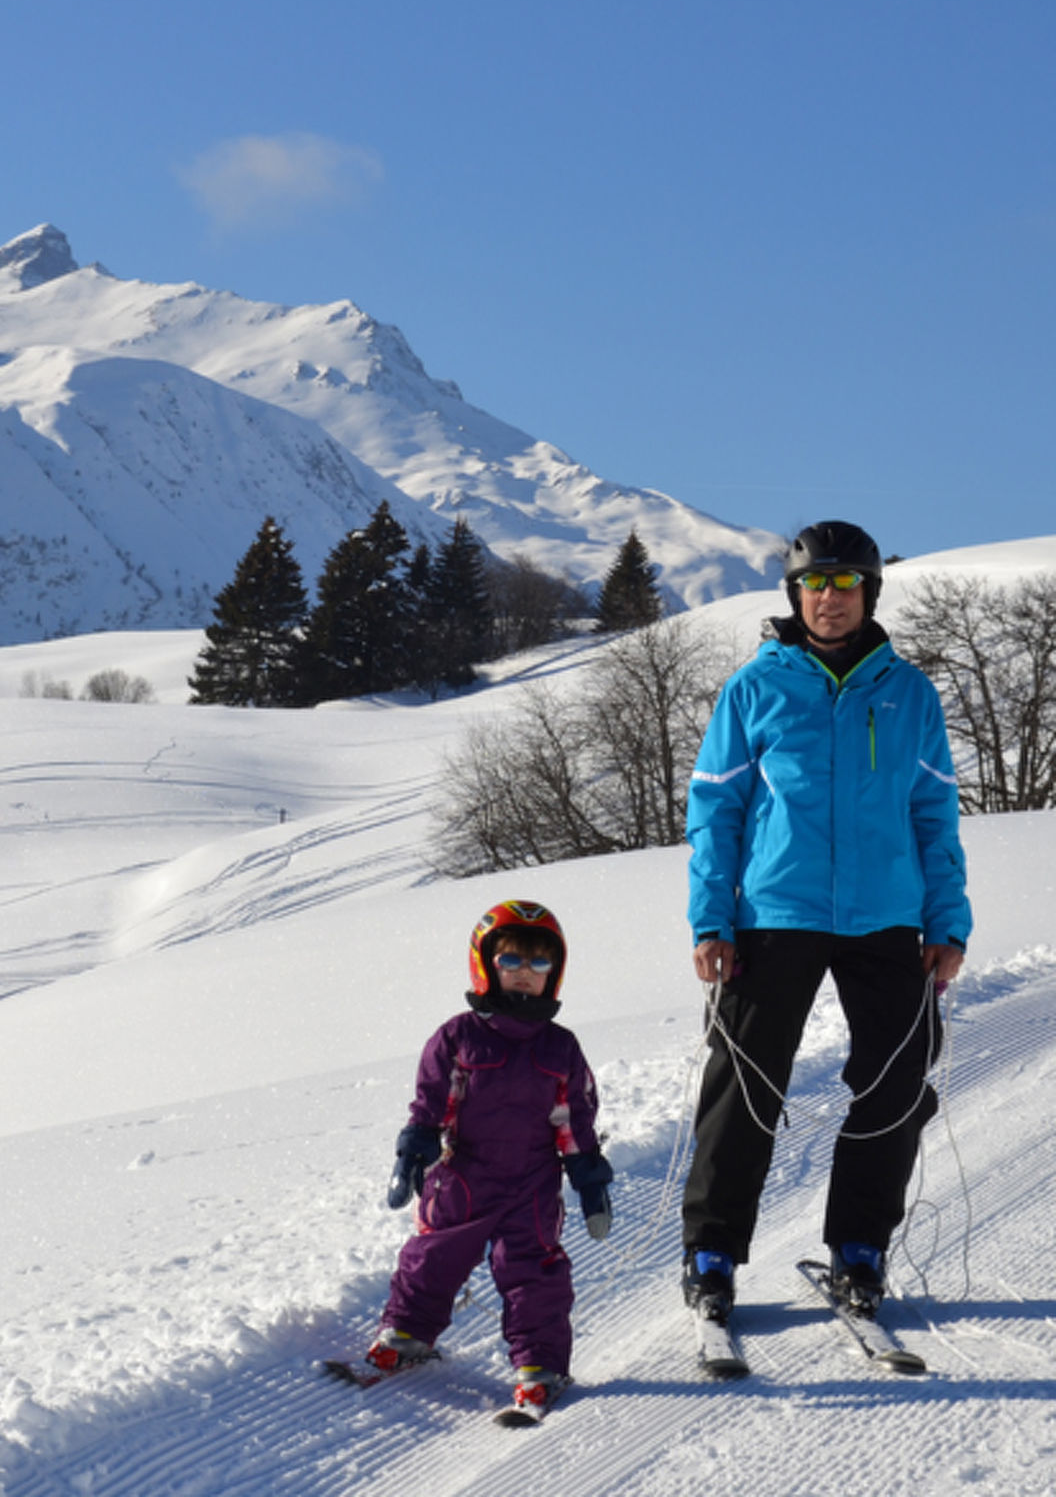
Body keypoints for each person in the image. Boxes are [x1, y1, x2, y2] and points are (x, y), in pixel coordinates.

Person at [681, 520, 970, 1324]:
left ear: (868, 593)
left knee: (898, 1083)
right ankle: (710, 1252)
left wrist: (947, 924)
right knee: (744, 1084)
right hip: (774, 915)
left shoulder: (908, 692)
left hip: (886, 919)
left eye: (845, 585)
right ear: (794, 595)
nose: (830, 599)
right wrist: (712, 920)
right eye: (816, 585)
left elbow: (933, 814)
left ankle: (859, 1247)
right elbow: (715, 812)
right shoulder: (754, 689)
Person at [369, 900, 613, 1417]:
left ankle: (538, 1365)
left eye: (540, 964)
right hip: (462, 1174)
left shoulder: (561, 1047)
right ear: (485, 964)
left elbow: (575, 1119)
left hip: (533, 1182)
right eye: (512, 961)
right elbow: (431, 1101)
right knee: (433, 1256)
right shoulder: (457, 1036)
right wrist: (414, 1149)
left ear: (556, 972)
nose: (526, 974)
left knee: (533, 1272)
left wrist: (589, 1178)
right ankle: (407, 1332)